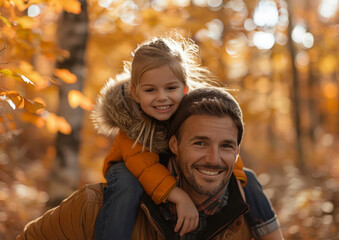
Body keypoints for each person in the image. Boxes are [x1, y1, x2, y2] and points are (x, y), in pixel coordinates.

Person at [16, 87, 284, 239]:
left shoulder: (248, 215)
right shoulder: (94, 209)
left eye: (226, 146)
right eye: (200, 143)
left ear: (237, 151)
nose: (213, 159)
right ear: (174, 145)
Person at [91, 32, 248, 239]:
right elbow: (145, 167)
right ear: (135, 93)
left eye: (170, 88)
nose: (162, 98)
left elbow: (222, 143)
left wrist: (236, 179)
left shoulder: (192, 114)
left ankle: (268, 229)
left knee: (249, 178)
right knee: (126, 186)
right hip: (129, 168)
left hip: (166, 167)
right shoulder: (131, 126)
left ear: (184, 89)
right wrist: (179, 197)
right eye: (150, 90)